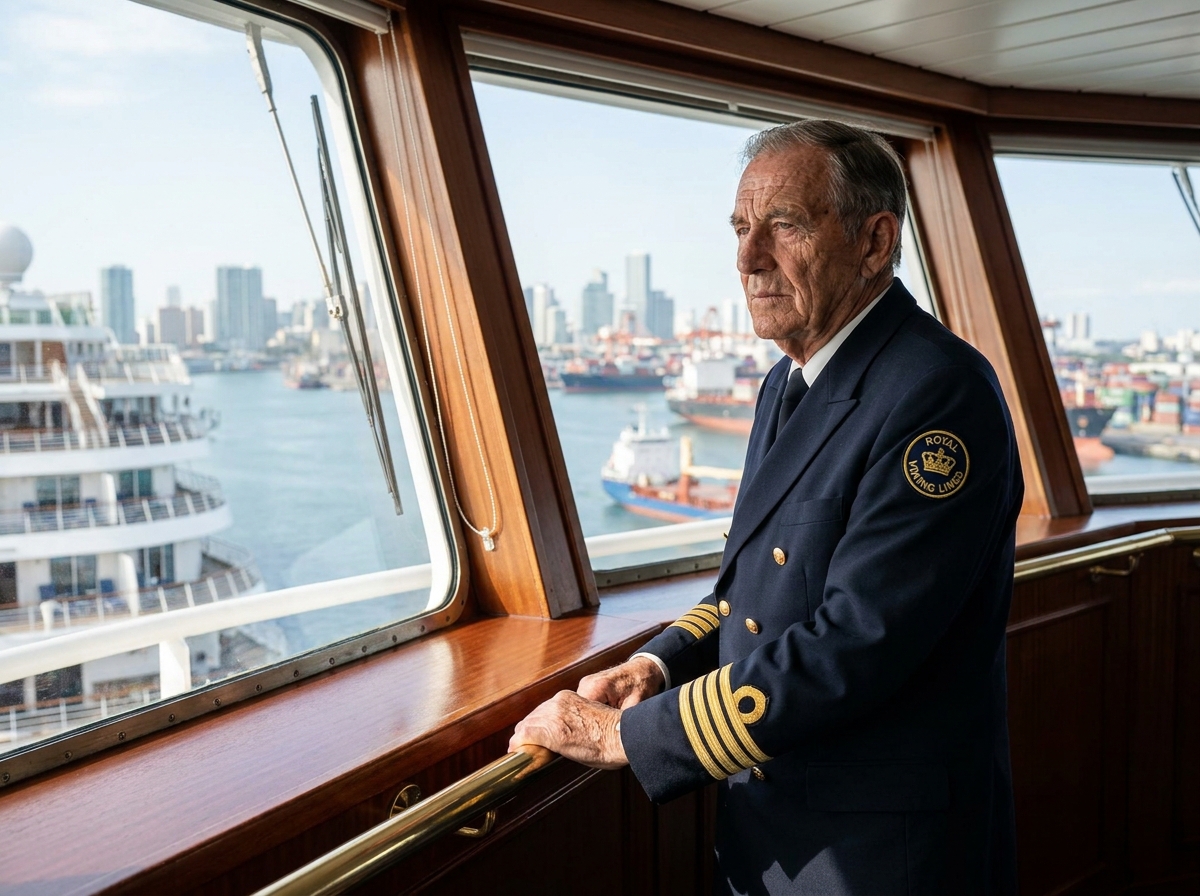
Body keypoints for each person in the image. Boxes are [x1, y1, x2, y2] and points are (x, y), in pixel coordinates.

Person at [511, 119, 1022, 895]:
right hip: (775, 820)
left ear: (875, 241)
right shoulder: (787, 383)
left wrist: (629, 738)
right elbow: (752, 590)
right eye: (740, 229)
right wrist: (658, 664)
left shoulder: (936, 394)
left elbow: (858, 642)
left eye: (784, 225)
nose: (747, 258)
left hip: (881, 848)